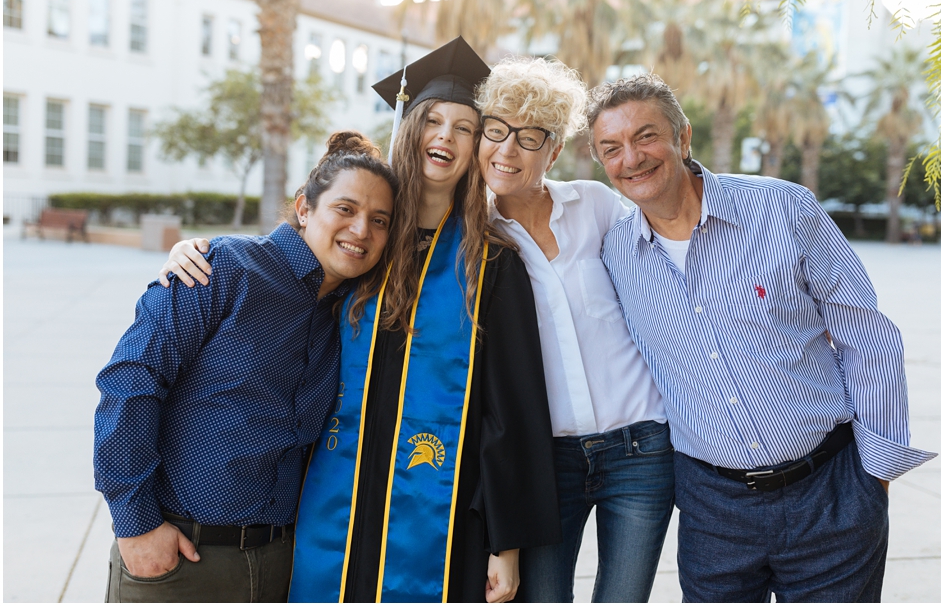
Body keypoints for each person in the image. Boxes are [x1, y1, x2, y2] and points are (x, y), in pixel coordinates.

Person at [158, 37, 561, 603]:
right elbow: (279, 273)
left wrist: (507, 543)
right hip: (330, 499)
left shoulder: (490, 263)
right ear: (409, 127)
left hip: (442, 515)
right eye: (432, 120)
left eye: (465, 127)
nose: (444, 136)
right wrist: (196, 252)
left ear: (477, 148)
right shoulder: (362, 244)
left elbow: (512, 409)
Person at [591, 73, 936, 602]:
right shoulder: (616, 253)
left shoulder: (784, 209)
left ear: (683, 138)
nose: (631, 158)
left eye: (645, 136)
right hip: (713, 510)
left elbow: (867, 335)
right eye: (610, 148)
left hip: (831, 491)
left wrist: (875, 479)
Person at [93, 134, 398, 602]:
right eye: (345, 209)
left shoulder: (350, 314)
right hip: (178, 561)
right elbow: (130, 384)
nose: (361, 230)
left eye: (379, 220)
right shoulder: (222, 267)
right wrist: (137, 528)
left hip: (278, 567)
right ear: (304, 208)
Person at [474, 57, 673, 602]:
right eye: (496, 131)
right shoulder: (470, 239)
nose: (508, 150)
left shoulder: (597, 206)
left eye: (530, 137)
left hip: (640, 450)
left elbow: (675, 256)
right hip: (545, 461)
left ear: (555, 150)